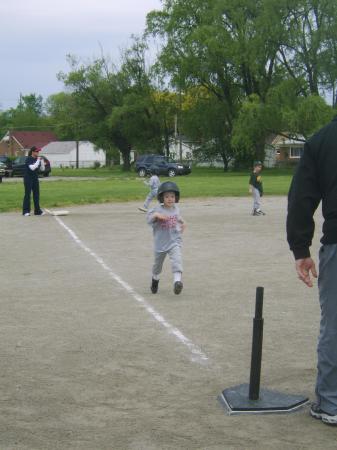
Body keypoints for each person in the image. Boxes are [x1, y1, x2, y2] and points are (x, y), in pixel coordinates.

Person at [287, 115, 337, 426]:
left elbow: (301, 199)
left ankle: (331, 402)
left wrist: (301, 249)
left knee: (334, 325)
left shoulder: (322, 140)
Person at [146, 181, 186, 295]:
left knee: (177, 260)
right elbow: (148, 219)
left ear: (176, 198)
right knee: (157, 266)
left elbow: (177, 217)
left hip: (174, 241)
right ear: (161, 198)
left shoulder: (176, 208)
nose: (170, 199)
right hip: (160, 244)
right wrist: (156, 215)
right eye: (167, 196)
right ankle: (155, 279)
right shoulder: (157, 209)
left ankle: (177, 282)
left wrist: (183, 222)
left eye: (172, 196)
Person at [22, 146, 45, 216]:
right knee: (27, 194)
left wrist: (42, 161)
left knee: (36, 194)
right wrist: (38, 160)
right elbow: (32, 168)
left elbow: (42, 169)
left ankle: (37, 211)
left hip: (35, 178)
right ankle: (26, 211)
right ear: (33, 152)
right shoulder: (29, 159)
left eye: (38, 151)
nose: (38, 153)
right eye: (37, 151)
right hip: (28, 178)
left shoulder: (37, 159)